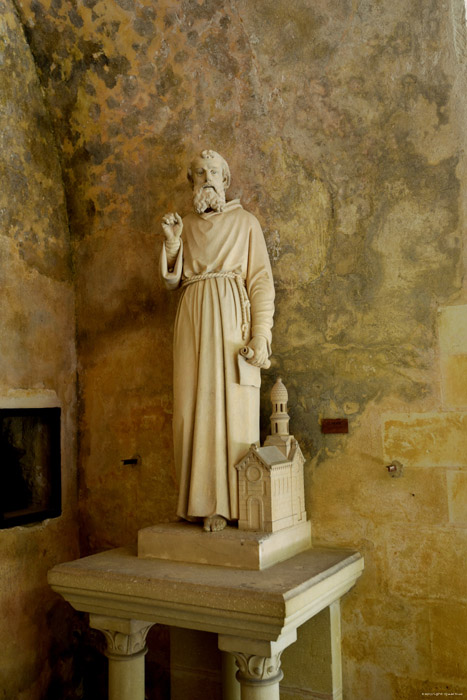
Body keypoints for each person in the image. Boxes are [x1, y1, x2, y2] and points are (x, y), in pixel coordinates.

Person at [160, 149, 275, 532]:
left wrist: (261, 335)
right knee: (192, 409)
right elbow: (171, 281)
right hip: (192, 320)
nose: (206, 178)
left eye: (213, 172)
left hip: (230, 324)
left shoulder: (245, 223)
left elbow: (260, 281)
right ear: (192, 182)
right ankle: (199, 502)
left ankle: (230, 505)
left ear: (225, 181)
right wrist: (174, 245)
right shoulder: (186, 226)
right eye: (199, 173)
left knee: (232, 412)